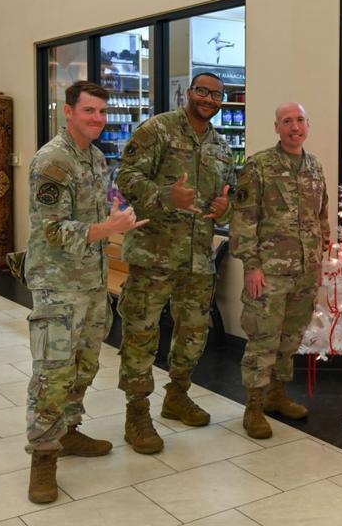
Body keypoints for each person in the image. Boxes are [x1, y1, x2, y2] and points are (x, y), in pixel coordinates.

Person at [24, 81, 147, 503]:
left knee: (84, 366)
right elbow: (53, 230)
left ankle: (69, 432)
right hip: (57, 286)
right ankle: (42, 458)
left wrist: (113, 222)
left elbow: (95, 219)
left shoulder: (95, 158)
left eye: (102, 111)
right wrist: (108, 229)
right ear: (68, 112)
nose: (98, 118)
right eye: (89, 111)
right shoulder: (52, 162)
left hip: (91, 283)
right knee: (52, 372)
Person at [116, 72, 235, 453]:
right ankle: (136, 414)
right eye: (202, 91)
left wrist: (223, 207)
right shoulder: (158, 130)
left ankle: (177, 395)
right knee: (142, 332)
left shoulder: (220, 146)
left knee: (193, 331)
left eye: (216, 94)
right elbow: (126, 177)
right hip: (154, 254)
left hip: (197, 257)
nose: (208, 99)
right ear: (189, 93)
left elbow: (225, 195)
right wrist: (166, 195)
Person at [231, 102, 329, 439]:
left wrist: (318, 261)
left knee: (290, 339)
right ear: (276, 127)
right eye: (287, 121)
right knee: (264, 339)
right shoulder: (259, 165)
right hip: (270, 274)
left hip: (304, 273)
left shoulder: (315, 167)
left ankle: (277, 395)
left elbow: (322, 217)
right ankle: (254, 406)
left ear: (308, 124)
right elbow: (244, 218)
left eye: (300, 120)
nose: (294, 127)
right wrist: (252, 266)